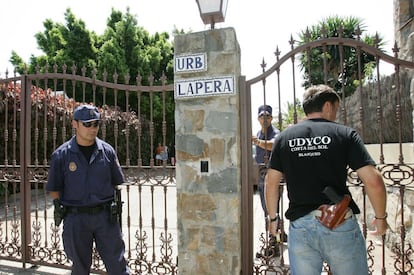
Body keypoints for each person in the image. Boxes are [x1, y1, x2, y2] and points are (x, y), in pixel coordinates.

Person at [265, 84, 387, 275]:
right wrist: (380, 218)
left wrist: (273, 219)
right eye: (336, 109)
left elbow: (271, 182)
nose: (335, 114)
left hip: (301, 226)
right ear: (328, 106)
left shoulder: (284, 138)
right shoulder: (345, 134)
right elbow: (374, 181)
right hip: (339, 223)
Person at [46, 104, 130, 275]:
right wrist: (59, 206)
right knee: (79, 268)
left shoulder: (107, 151)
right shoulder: (61, 155)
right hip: (76, 219)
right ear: (75, 124)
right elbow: (54, 188)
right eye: (87, 124)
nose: (92, 129)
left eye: (96, 124)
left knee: (118, 265)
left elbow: (116, 182)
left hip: (105, 218)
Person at [251, 104, 285, 258]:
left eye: (267, 116)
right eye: (261, 116)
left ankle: (274, 245)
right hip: (261, 176)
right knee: (271, 211)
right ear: (258, 118)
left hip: (273, 178)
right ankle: (280, 234)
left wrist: (257, 142)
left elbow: (275, 145)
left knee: (271, 212)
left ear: (271, 118)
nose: (264, 119)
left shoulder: (275, 133)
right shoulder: (259, 133)